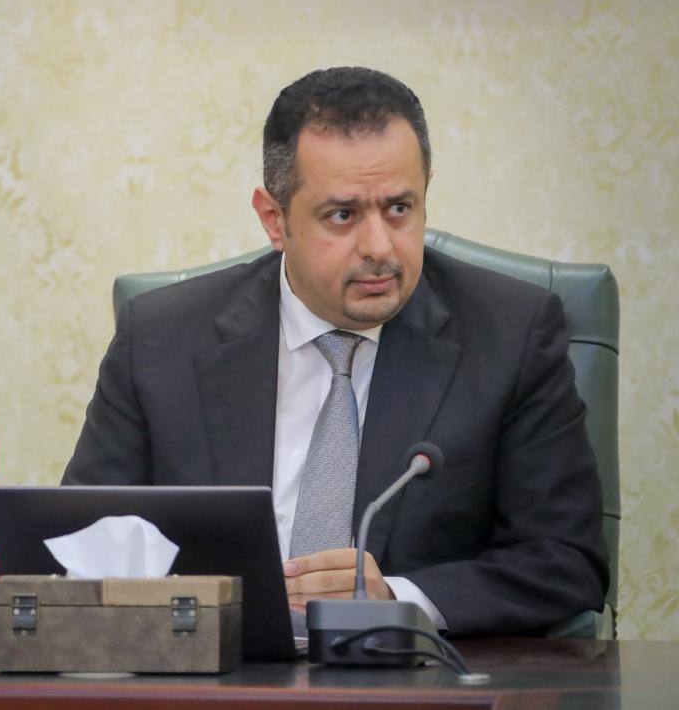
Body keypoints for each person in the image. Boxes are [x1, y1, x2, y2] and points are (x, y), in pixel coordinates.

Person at [62, 67, 609, 637]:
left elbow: (566, 561)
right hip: (215, 668)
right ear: (274, 220)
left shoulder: (510, 335)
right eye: (342, 216)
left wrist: (394, 598)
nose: (379, 247)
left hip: (414, 673)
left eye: (399, 208)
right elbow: (80, 547)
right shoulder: (161, 339)